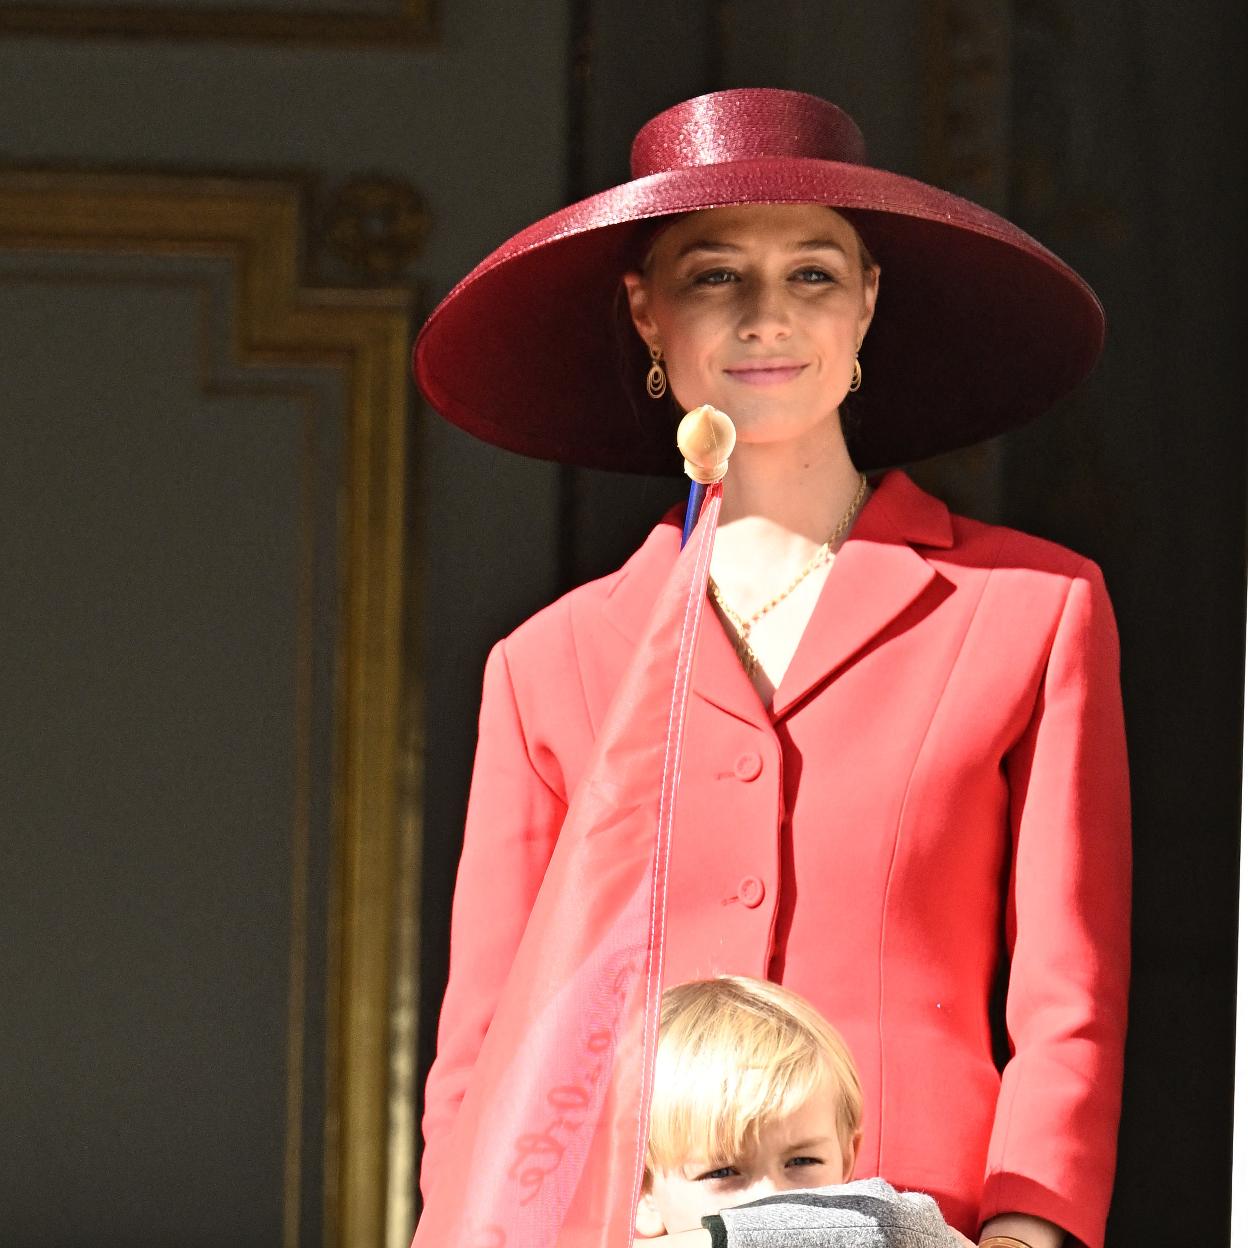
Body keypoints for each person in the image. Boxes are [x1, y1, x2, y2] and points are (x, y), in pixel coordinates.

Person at [414, 88, 1131, 1247]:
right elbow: (489, 1035)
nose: (768, 316)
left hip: (929, 1221)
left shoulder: (1032, 608)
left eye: (812, 273)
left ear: (868, 302)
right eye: (714, 275)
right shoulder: (547, 662)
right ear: (646, 311)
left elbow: (1070, 996)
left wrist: (1024, 1231)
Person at [636, 975, 969, 1247]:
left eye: (801, 1162)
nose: (774, 1198)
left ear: (846, 1159)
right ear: (644, 1195)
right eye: (723, 1172)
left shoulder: (895, 1230)